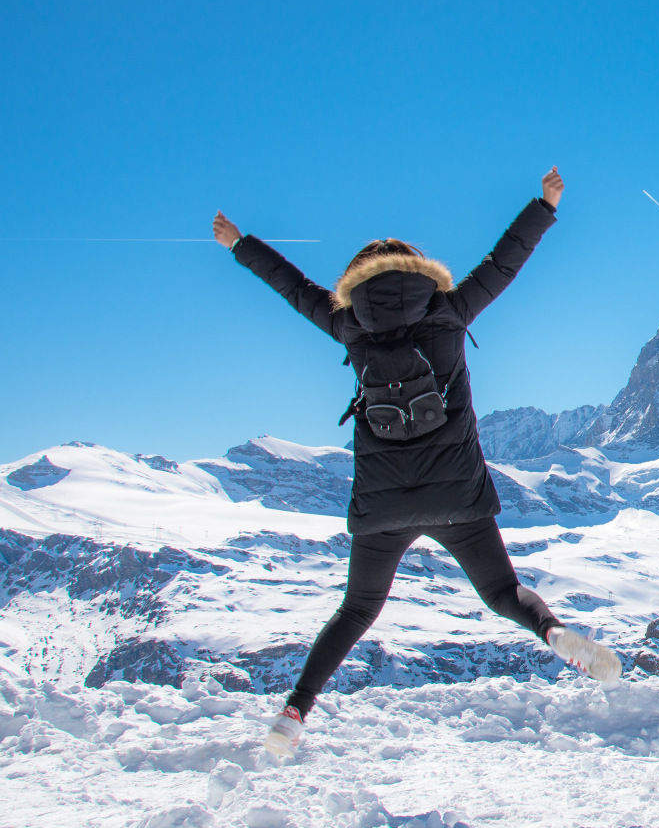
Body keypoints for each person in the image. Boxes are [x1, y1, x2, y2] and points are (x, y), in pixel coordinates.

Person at [212, 167, 619, 759]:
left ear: (356, 279)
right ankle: (553, 633)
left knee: (356, 610)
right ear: (419, 269)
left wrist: (238, 243)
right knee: (504, 592)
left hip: (384, 506)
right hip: (457, 496)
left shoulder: (349, 326)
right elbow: (504, 263)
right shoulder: (450, 311)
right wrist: (543, 205)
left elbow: (293, 286)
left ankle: (295, 710)